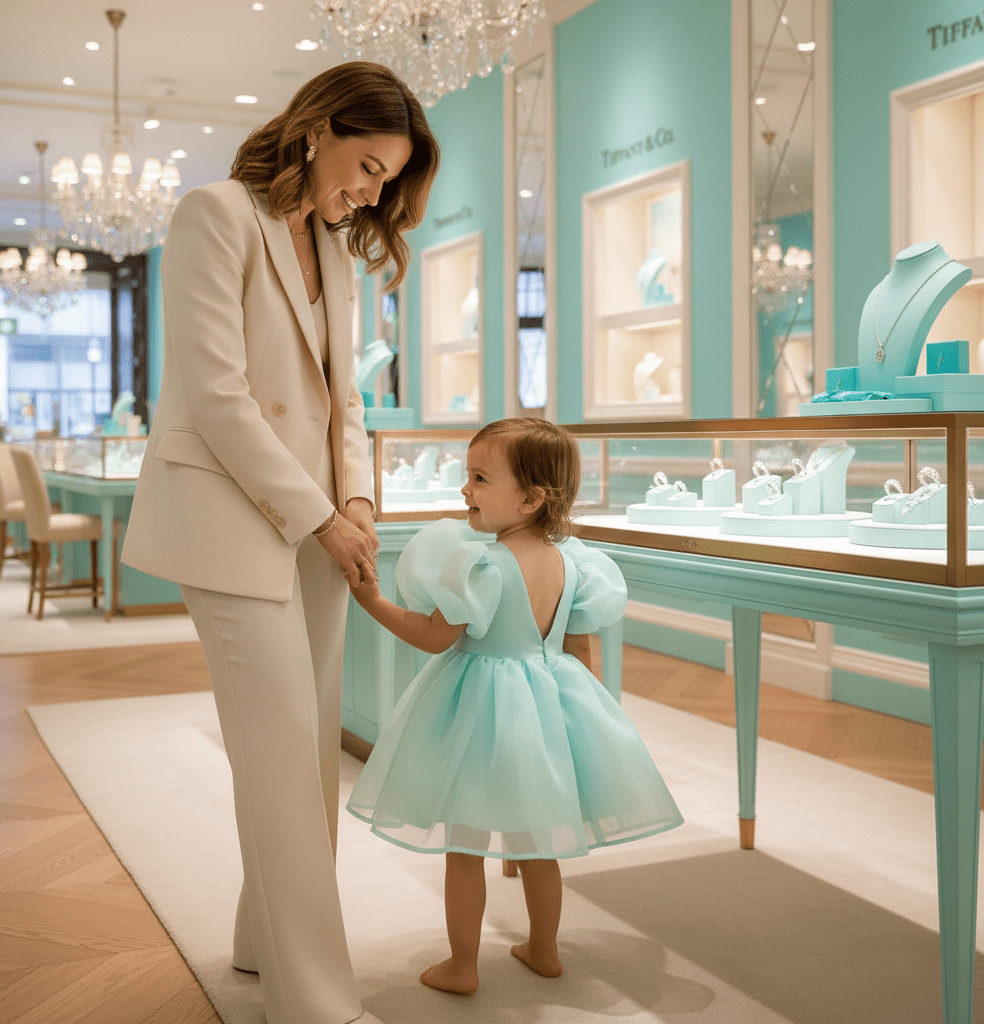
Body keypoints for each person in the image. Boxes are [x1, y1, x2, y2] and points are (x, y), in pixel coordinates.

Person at [120, 62, 440, 1024]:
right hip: (231, 518)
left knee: (304, 758)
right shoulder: (213, 215)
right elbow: (216, 397)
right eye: (369, 166)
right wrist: (320, 513)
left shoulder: (337, 250)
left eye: (388, 181)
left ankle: (265, 942)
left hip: (320, 527)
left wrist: (359, 497)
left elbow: (348, 400)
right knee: (277, 758)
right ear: (317, 130)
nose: (373, 192)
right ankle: (316, 1001)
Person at [345, 418, 684, 995]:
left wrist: (370, 598)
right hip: (547, 704)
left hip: (477, 709)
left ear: (529, 499)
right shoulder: (573, 564)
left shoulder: (481, 567)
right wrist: (577, 717)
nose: (464, 491)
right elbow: (577, 647)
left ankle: (462, 965)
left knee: (464, 845)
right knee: (538, 843)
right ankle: (544, 949)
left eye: (479, 478)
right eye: (466, 476)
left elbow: (433, 635)